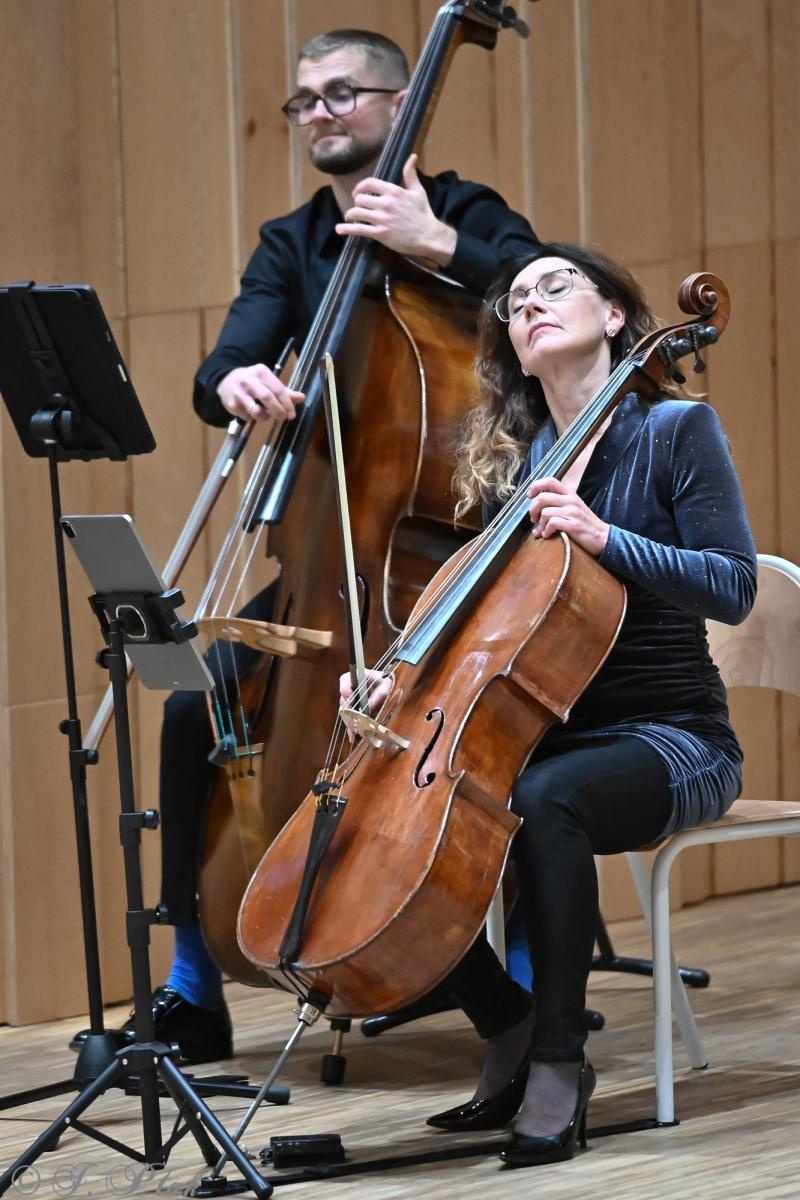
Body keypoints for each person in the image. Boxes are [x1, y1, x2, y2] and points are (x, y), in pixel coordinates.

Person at [70, 27, 538, 1064]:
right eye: (303, 100)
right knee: (197, 705)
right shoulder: (293, 244)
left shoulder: (467, 214)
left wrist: (442, 251)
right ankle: (194, 985)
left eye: (341, 92)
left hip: (451, 574)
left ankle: (527, 987)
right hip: (331, 574)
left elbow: (558, 307)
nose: (320, 111)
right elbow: (228, 360)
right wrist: (231, 379)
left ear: (397, 98)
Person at [345, 241, 756, 1167]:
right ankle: (509, 1022)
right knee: (400, 811)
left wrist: (604, 535)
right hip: (551, 734)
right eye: (516, 299)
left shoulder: (676, 430)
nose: (530, 302)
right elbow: (486, 628)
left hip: (674, 740)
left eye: (556, 285)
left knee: (545, 801)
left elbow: (732, 585)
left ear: (616, 316)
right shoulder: (526, 461)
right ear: (518, 350)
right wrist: (394, 677)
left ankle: (560, 1067)